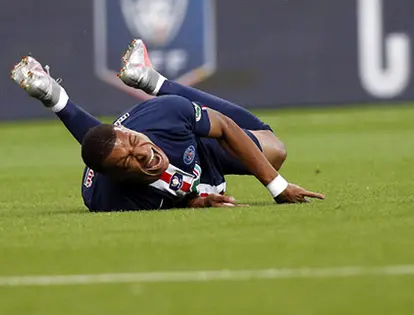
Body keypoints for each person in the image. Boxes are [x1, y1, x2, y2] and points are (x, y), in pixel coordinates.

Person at [10, 38, 324, 211]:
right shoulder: (111, 200)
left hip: (192, 142)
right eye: (129, 162)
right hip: (127, 160)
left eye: (134, 143)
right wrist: (199, 201)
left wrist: (277, 187)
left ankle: (154, 81)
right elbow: (170, 198)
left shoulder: (165, 118)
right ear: (118, 178)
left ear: (132, 132)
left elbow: (226, 126)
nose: (143, 154)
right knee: (105, 146)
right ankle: (54, 96)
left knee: (275, 150)